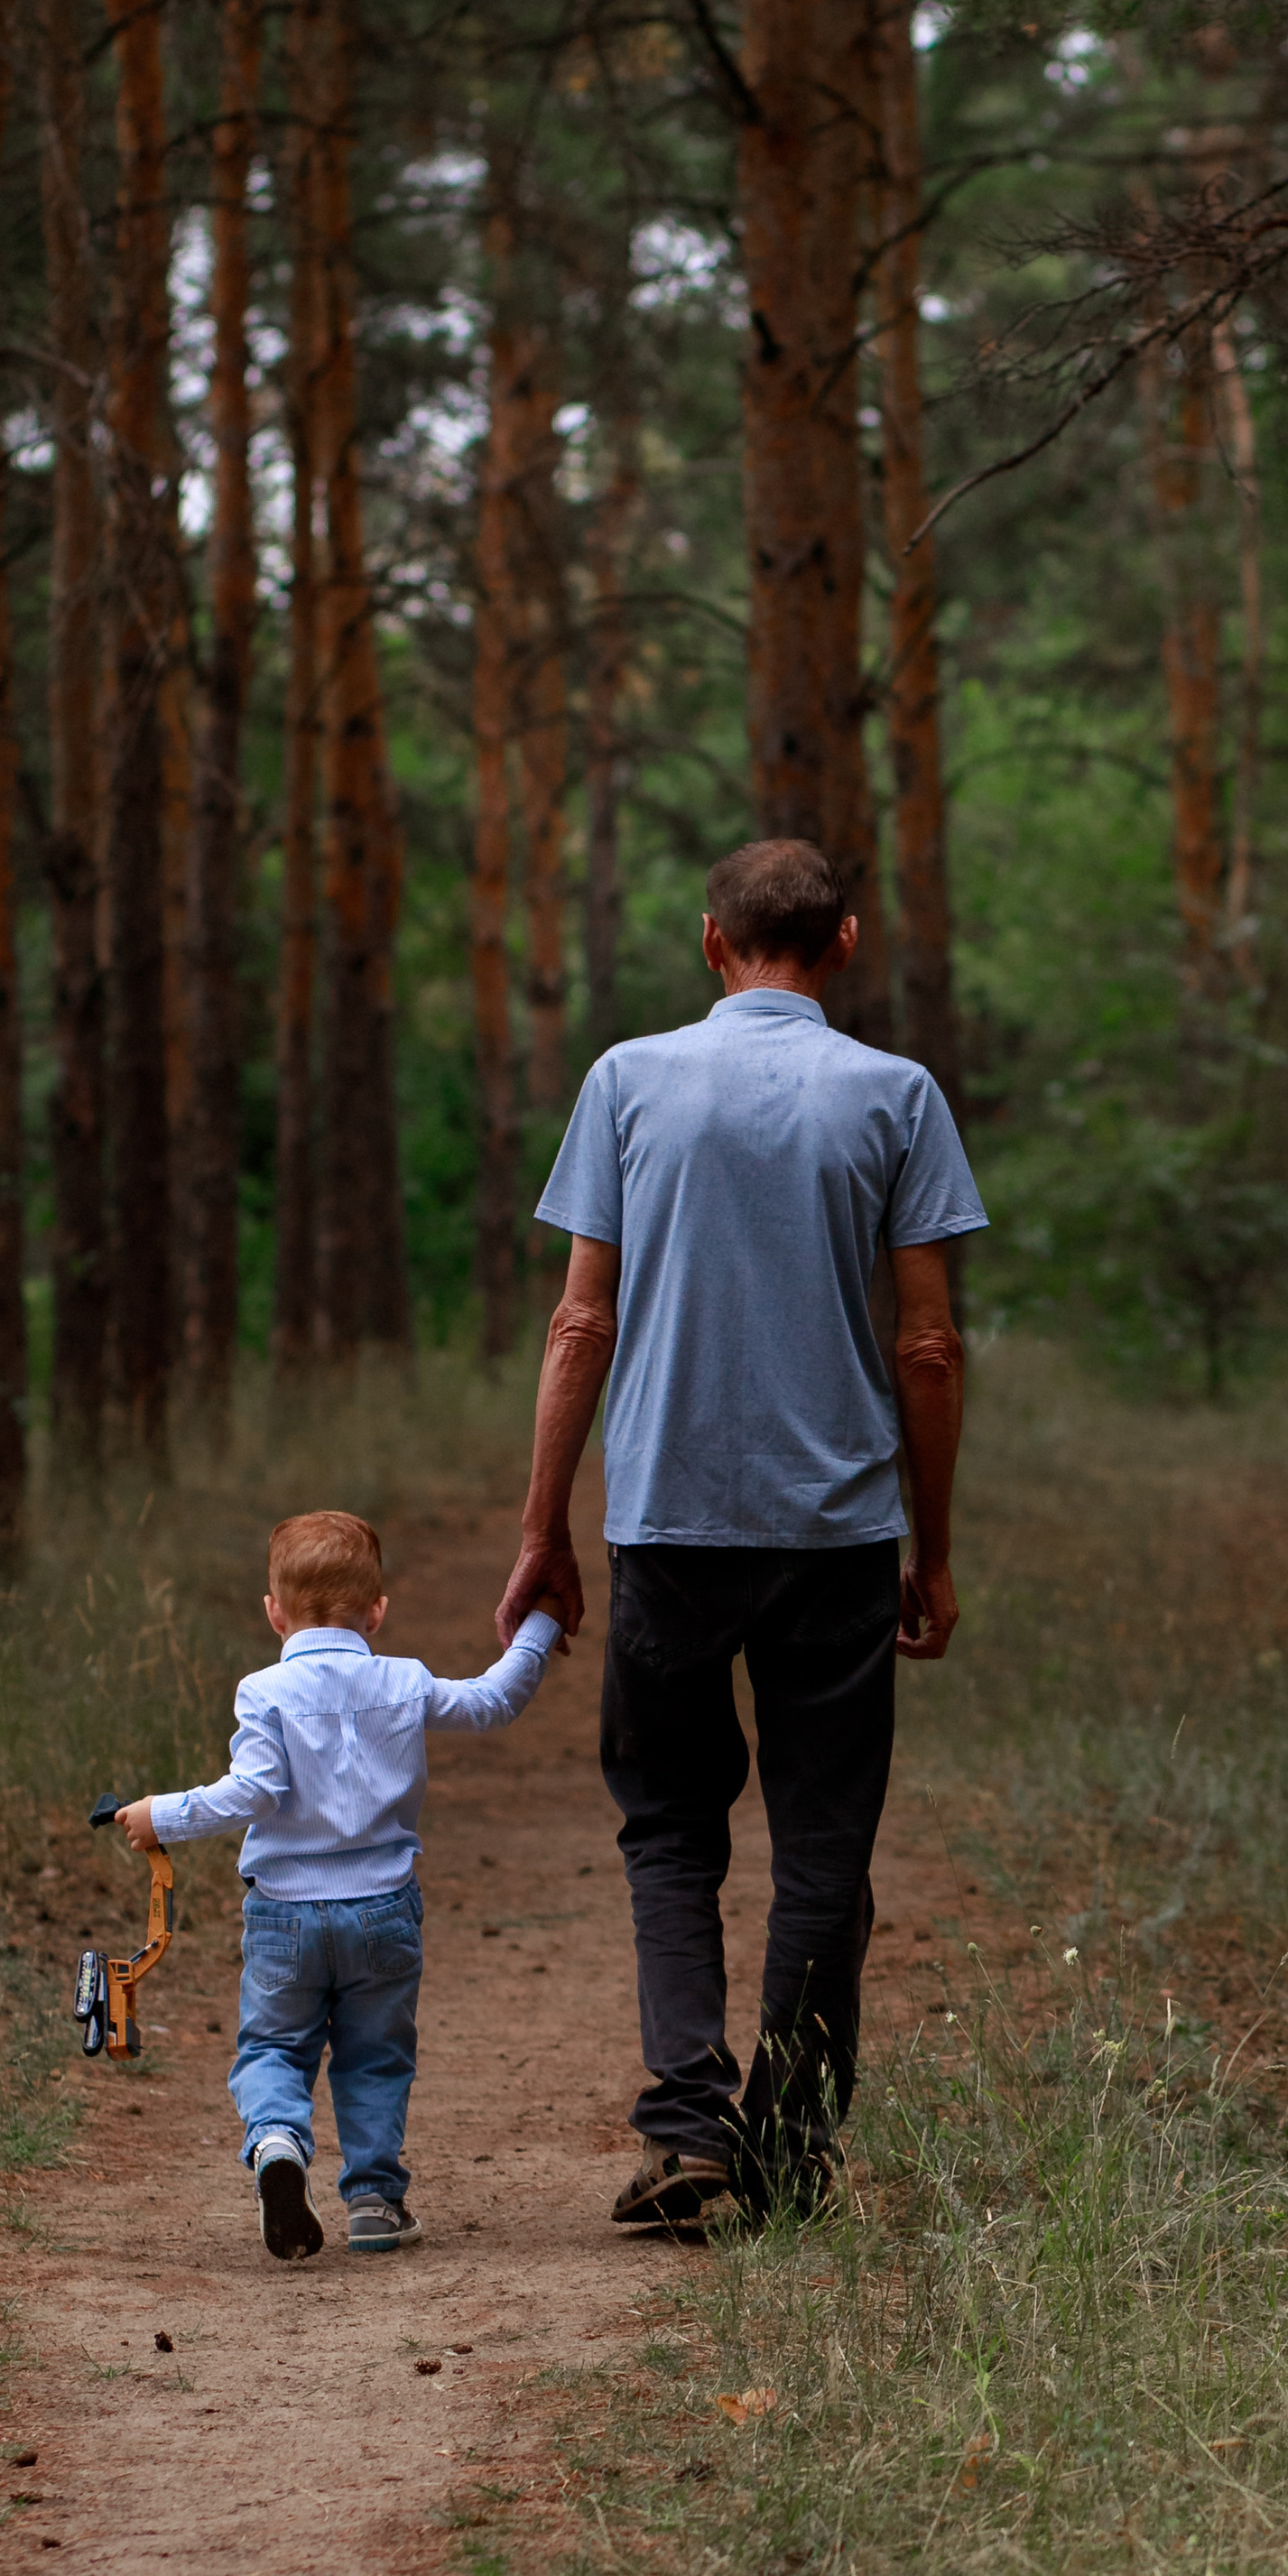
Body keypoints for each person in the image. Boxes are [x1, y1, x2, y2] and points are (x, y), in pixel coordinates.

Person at [493, 838, 986, 2229]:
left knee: (668, 1825)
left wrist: (545, 1526)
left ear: (712, 943)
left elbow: (580, 1318)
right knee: (826, 1846)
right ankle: (788, 2144)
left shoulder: (628, 1081)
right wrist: (930, 1550)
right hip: (836, 1534)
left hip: (669, 1519)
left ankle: (687, 2128)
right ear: (841, 944)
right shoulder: (897, 1096)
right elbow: (931, 1345)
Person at [115, 1508, 562, 2259]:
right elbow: (495, 1700)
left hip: (285, 1917)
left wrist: (165, 1814)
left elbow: (251, 1792)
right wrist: (543, 1623)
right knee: (375, 2056)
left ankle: (279, 2146)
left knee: (273, 2051)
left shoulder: (263, 1692)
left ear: (274, 1613)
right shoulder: (404, 1682)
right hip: (383, 1913)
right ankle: (376, 2204)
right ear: (378, 1611)